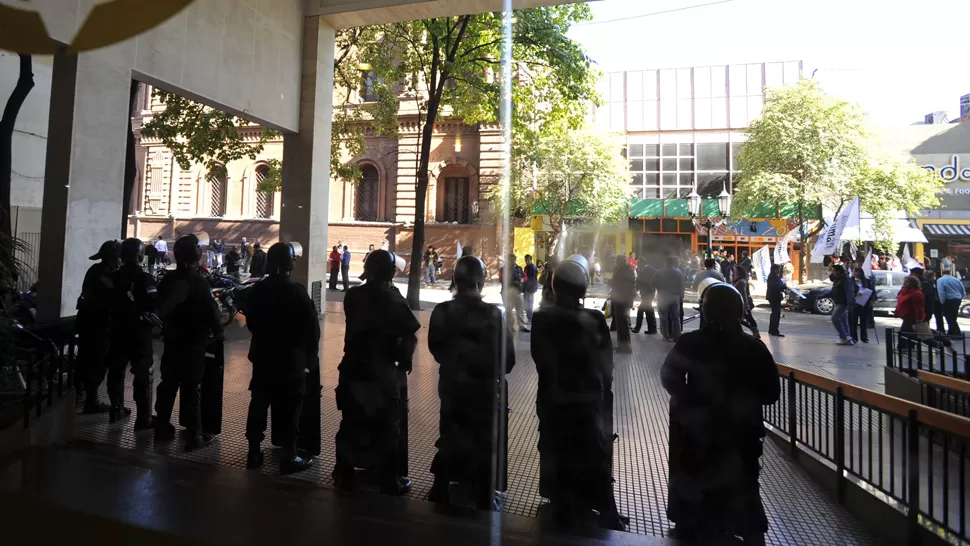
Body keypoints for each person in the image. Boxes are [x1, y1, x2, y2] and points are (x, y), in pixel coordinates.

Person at [662, 282, 780, 545]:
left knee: (695, 481)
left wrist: (691, 402)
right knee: (744, 485)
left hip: (697, 433)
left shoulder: (691, 342)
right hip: (742, 435)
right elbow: (772, 393)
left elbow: (669, 376)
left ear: (707, 311)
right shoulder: (753, 347)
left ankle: (697, 525)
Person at [530, 255, 627, 530]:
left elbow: (541, 359)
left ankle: (560, 502)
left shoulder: (541, 318)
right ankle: (605, 508)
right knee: (593, 452)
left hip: (554, 398)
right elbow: (606, 362)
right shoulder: (594, 318)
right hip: (588, 399)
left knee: (555, 447)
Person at [427, 256, 515, 510]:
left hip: (452, 387)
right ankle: (485, 494)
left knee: (449, 435)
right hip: (483, 391)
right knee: (485, 440)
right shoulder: (492, 315)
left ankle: (440, 486)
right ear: (481, 281)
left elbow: (436, 348)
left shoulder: (442, 311)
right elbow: (507, 359)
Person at [333, 249, 419, 496]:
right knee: (387, 426)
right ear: (390, 271)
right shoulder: (392, 298)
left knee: (350, 422)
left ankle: (344, 472)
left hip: (351, 368)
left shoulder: (353, 295)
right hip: (380, 372)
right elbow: (410, 334)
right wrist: (404, 362)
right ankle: (389, 479)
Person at [244, 242, 318, 475]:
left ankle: (254, 452)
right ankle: (290, 455)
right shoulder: (297, 292)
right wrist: (310, 358)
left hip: (263, 356)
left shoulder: (257, 290)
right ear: (288, 263)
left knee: (259, 403)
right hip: (290, 360)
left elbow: (251, 322)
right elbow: (311, 329)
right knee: (291, 408)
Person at [154, 234, 224, 451]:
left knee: (168, 384)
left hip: (173, 342)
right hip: (193, 344)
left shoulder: (168, 279)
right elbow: (213, 314)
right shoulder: (197, 282)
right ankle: (194, 436)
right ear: (195, 254)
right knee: (191, 388)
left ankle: (162, 426)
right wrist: (218, 334)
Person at [105, 238, 158, 429]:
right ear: (139, 254)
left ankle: (116, 409)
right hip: (139, 332)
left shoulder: (112, 276)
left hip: (117, 329)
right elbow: (153, 304)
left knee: (116, 370)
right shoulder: (144, 278)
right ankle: (143, 419)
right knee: (143, 374)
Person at [76, 240, 121, 414]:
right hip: (98, 324)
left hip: (89, 321)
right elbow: (116, 294)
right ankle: (90, 401)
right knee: (96, 361)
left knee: (85, 358)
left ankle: (80, 395)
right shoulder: (104, 274)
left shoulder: (96, 270)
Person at [653, 256, 685, 342]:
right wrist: (681, 296)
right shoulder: (678, 272)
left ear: (665, 262)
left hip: (663, 296)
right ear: (673, 263)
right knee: (676, 317)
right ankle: (677, 335)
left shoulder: (659, 272)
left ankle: (666, 335)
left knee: (664, 317)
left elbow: (653, 283)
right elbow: (682, 285)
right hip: (675, 297)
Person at [609, 255, 636, 354]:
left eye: (617, 261)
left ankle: (625, 347)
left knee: (622, 324)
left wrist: (611, 282)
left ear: (621, 261)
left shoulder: (625, 271)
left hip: (622, 300)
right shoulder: (625, 270)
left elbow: (621, 285)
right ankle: (622, 345)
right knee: (621, 323)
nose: (616, 263)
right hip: (623, 300)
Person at [499, 255, 528, 332]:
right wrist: (512, 282)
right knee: (509, 310)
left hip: (518, 292)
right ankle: (509, 326)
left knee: (520, 309)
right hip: (507, 292)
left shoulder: (519, 268)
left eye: (513, 259)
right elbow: (502, 279)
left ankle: (521, 325)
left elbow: (525, 276)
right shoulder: (503, 269)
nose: (512, 261)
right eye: (510, 260)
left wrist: (522, 280)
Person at [829, 264, 855, 345]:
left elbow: (849, 292)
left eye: (834, 271)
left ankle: (844, 337)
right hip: (839, 302)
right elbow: (833, 291)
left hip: (843, 302)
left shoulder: (845, 280)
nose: (833, 273)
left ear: (839, 271)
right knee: (844, 320)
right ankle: (847, 338)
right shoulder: (838, 279)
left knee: (835, 318)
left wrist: (850, 303)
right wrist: (823, 295)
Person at [896, 276, 925, 346]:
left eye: (907, 282)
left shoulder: (917, 293)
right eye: (904, 281)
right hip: (906, 316)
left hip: (911, 317)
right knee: (910, 333)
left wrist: (918, 318)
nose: (904, 283)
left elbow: (919, 308)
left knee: (906, 333)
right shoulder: (905, 292)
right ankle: (906, 346)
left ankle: (903, 347)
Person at [732, 264, 759, 338]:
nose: (734, 272)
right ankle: (754, 330)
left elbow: (743, 294)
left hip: (742, 303)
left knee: (747, 318)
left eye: (736, 270)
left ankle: (755, 330)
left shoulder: (741, 281)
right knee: (741, 318)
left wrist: (745, 306)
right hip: (739, 302)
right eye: (734, 270)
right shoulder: (739, 280)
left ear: (740, 271)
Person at [849, 268, 874, 344]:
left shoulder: (867, 281)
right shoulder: (851, 281)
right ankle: (854, 337)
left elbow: (872, 290)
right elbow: (849, 291)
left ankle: (864, 337)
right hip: (855, 303)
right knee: (853, 322)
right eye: (853, 272)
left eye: (855, 272)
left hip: (864, 303)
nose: (854, 273)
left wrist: (872, 299)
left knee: (863, 321)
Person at [937, 269, 966, 335]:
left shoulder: (940, 280)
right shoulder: (956, 280)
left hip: (948, 299)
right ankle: (951, 331)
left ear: (942, 273)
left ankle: (956, 332)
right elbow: (962, 290)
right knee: (953, 316)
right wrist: (961, 297)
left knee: (949, 316)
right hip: (957, 299)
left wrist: (942, 301)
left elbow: (941, 292)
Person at [632, 259, 657, 335]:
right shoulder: (641, 270)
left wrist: (640, 284)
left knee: (641, 310)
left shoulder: (650, 270)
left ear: (643, 263)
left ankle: (637, 328)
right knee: (649, 311)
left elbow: (650, 281)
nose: (638, 266)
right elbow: (639, 281)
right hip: (645, 293)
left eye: (639, 264)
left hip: (649, 293)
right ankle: (652, 329)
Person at [765, 264, 786, 337]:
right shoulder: (772, 277)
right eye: (778, 269)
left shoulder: (774, 276)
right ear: (774, 269)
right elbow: (775, 286)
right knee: (775, 314)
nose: (779, 270)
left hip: (775, 297)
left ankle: (772, 329)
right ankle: (774, 330)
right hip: (774, 297)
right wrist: (782, 286)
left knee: (775, 313)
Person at [523, 254, 539, 323]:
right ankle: (529, 317)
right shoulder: (526, 267)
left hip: (530, 288)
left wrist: (531, 288)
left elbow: (533, 280)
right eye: (526, 260)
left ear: (531, 260)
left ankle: (530, 318)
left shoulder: (532, 268)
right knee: (526, 303)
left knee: (529, 303)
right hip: (526, 288)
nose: (527, 261)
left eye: (528, 260)